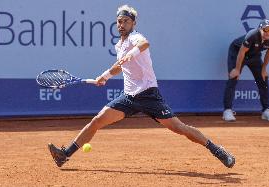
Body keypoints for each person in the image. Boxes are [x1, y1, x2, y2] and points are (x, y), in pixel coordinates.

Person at [48, 5, 235, 168]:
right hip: (128, 97)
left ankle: (217, 150)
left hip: (148, 95)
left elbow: (145, 43)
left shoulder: (136, 37)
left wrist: (133, 53)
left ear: (133, 23)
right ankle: (65, 154)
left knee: (179, 128)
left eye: (126, 21)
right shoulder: (119, 45)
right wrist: (103, 77)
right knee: (97, 121)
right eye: (119, 21)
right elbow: (118, 66)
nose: (122, 25)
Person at [223, 19, 269, 122]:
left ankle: (266, 110)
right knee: (234, 76)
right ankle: (227, 110)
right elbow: (242, 51)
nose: (268, 32)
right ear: (260, 29)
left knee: (264, 78)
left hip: (254, 55)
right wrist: (237, 69)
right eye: (265, 29)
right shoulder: (252, 35)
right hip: (237, 52)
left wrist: (264, 69)